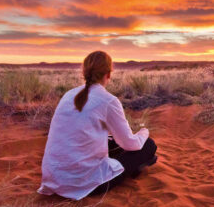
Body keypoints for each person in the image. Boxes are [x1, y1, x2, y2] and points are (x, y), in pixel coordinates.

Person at [37, 51, 157, 200]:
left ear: (84, 72)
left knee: (111, 142)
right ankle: (133, 169)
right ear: (108, 74)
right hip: (83, 183)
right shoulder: (108, 101)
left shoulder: (69, 94)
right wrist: (144, 133)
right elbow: (130, 144)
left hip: (54, 179)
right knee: (149, 146)